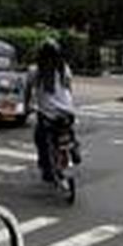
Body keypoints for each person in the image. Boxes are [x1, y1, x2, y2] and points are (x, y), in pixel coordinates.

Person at [33, 40, 77, 183]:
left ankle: (47, 169)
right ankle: (74, 146)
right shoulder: (64, 69)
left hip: (48, 114)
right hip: (67, 111)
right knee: (67, 127)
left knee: (40, 138)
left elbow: (28, 92)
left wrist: (27, 105)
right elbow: (69, 89)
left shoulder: (35, 71)